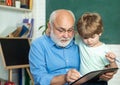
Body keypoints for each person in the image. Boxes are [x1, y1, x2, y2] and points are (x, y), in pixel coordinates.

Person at [29, 9, 116, 85]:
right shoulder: (38, 45)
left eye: (70, 30)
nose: (66, 36)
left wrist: (109, 73)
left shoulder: (80, 41)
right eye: (61, 30)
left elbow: (89, 34)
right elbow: (40, 79)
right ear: (50, 26)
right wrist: (65, 78)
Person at [76, 12, 118, 85]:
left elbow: (114, 70)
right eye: (85, 38)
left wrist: (112, 61)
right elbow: (71, 32)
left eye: (92, 37)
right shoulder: (81, 40)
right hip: (83, 80)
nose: (89, 41)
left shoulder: (104, 50)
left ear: (100, 33)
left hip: (99, 81)